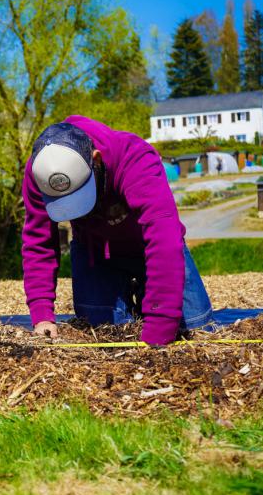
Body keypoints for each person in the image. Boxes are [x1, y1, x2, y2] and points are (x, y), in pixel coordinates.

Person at [22, 116, 213, 346]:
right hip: (96, 251)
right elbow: (39, 241)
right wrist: (41, 314)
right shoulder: (38, 173)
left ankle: (145, 290)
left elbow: (164, 238)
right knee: (101, 330)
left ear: (97, 160)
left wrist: (159, 327)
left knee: (195, 326)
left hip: (148, 247)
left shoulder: (136, 157)